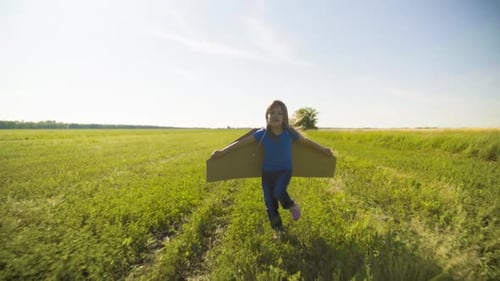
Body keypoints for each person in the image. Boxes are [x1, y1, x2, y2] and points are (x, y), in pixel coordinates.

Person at [211, 100, 333, 233]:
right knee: (270, 204)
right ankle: (278, 229)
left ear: (284, 117)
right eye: (272, 112)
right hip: (267, 173)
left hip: (284, 171)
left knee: (279, 192)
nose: (276, 115)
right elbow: (241, 143)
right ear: (267, 116)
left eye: (280, 113)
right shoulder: (262, 134)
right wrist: (222, 152)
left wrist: (323, 149)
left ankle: (290, 205)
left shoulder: (289, 133)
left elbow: (306, 142)